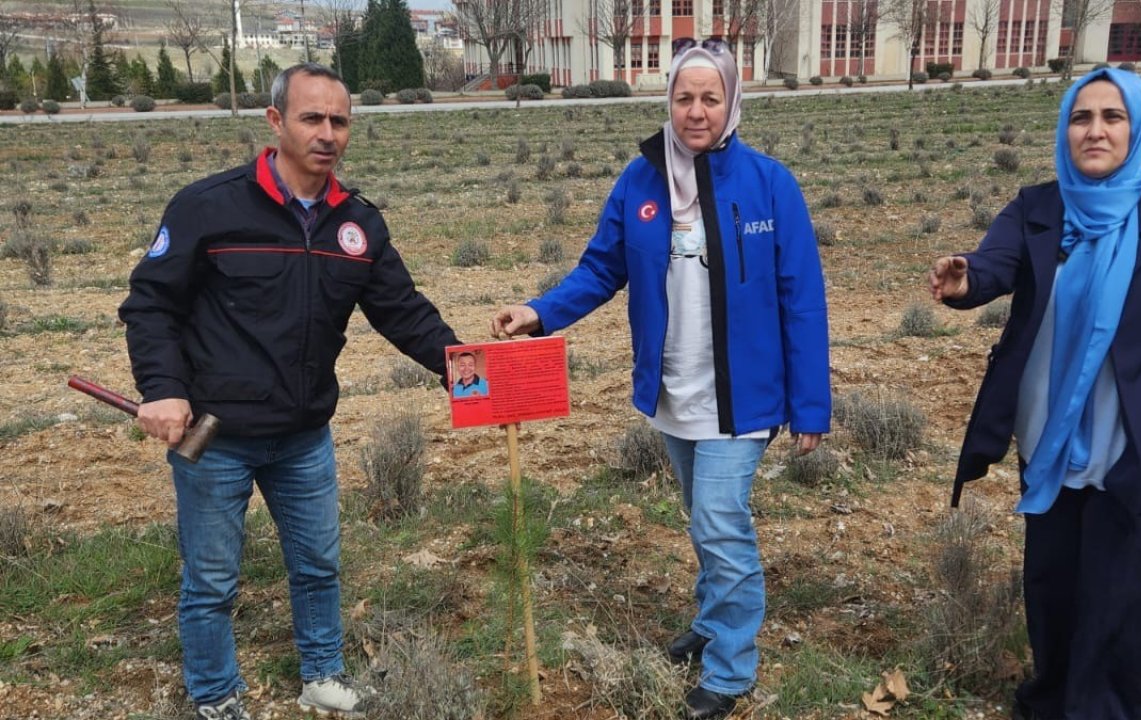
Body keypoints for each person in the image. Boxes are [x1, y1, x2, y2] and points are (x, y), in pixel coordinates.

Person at [490, 37, 830, 720]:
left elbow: (802, 295)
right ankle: (711, 625)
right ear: (667, 101)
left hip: (746, 397)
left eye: (710, 98)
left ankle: (731, 668)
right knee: (703, 523)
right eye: (684, 98)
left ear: (731, 100)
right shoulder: (639, 181)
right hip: (674, 392)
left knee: (720, 521)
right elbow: (599, 269)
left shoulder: (769, 184)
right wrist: (539, 311)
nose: (696, 111)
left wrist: (811, 405)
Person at [928, 67, 1141, 720]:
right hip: (1054, 444)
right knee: (1054, 592)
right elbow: (997, 261)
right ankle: (1053, 702)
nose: (1094, 130)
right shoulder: (1038, 208)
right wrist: (966, 277)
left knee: (1125, 608)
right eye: (1080, 117)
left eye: (1112, 118)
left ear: (1139, 126)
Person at [118, 63, 460, 720]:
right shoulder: (209, 207)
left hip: (303, 435)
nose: (327, 133)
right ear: (275, 122)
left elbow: (403, 311)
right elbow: (150, 304)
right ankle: (216, 695)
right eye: (312, 118)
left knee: (317, 565)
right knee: (213, 580)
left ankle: (322, 676)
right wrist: (162, 389)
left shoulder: (357, 223)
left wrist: (465, 369)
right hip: (214, 437)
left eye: (339, 120)